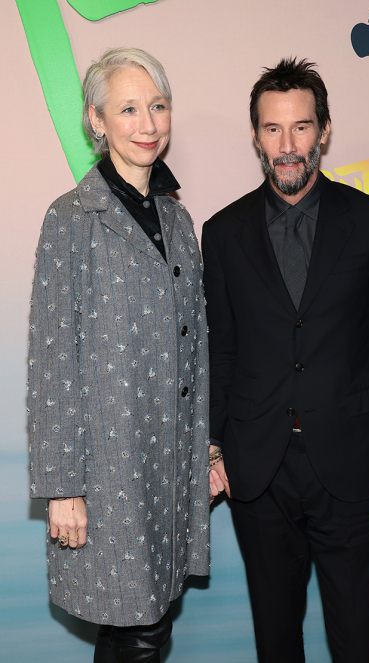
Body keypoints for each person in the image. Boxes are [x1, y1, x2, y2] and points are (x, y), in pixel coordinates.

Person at [202, 58, 369, 663]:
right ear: (256, 136)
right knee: (276, 640)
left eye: (301, 127)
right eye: (273, 129)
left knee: (356, 638)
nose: (287, 145)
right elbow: (221, 350)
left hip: (353, 463)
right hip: (258, 469)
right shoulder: (221, 233)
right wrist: (212, 445)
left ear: (324, 130)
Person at [28, 47, 210, 663]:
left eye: (157, 106)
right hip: (109, 469)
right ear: (97, 120)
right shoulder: (71, 218)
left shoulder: (178, 219)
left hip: (170, 463)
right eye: (128, 109)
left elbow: (195, 347)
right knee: (139, 627)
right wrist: (62, 487)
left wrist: (207, 450)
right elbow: (52, 361)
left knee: (139, 622)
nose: (148, 124)